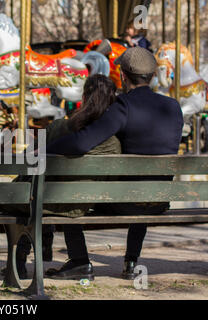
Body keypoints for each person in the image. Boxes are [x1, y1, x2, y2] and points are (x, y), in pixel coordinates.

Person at [45, 47, 183, 280]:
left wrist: (46, 150)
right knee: (146, 186)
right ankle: (131, 262)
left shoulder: (123, 106)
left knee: (69, 195)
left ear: (123, 75)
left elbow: (81, 143)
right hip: (159, 200)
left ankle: (79, 261)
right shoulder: (173, 107)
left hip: (124, 200)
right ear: (151, 76)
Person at [0, 74, 121, 279]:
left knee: (25, 197)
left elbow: (28, 162)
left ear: (84, 96)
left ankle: (18, 260)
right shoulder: (114, 142)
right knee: (64, 200)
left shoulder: (59, 127)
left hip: (46, 199)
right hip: (84, 201)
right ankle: (79, 259)